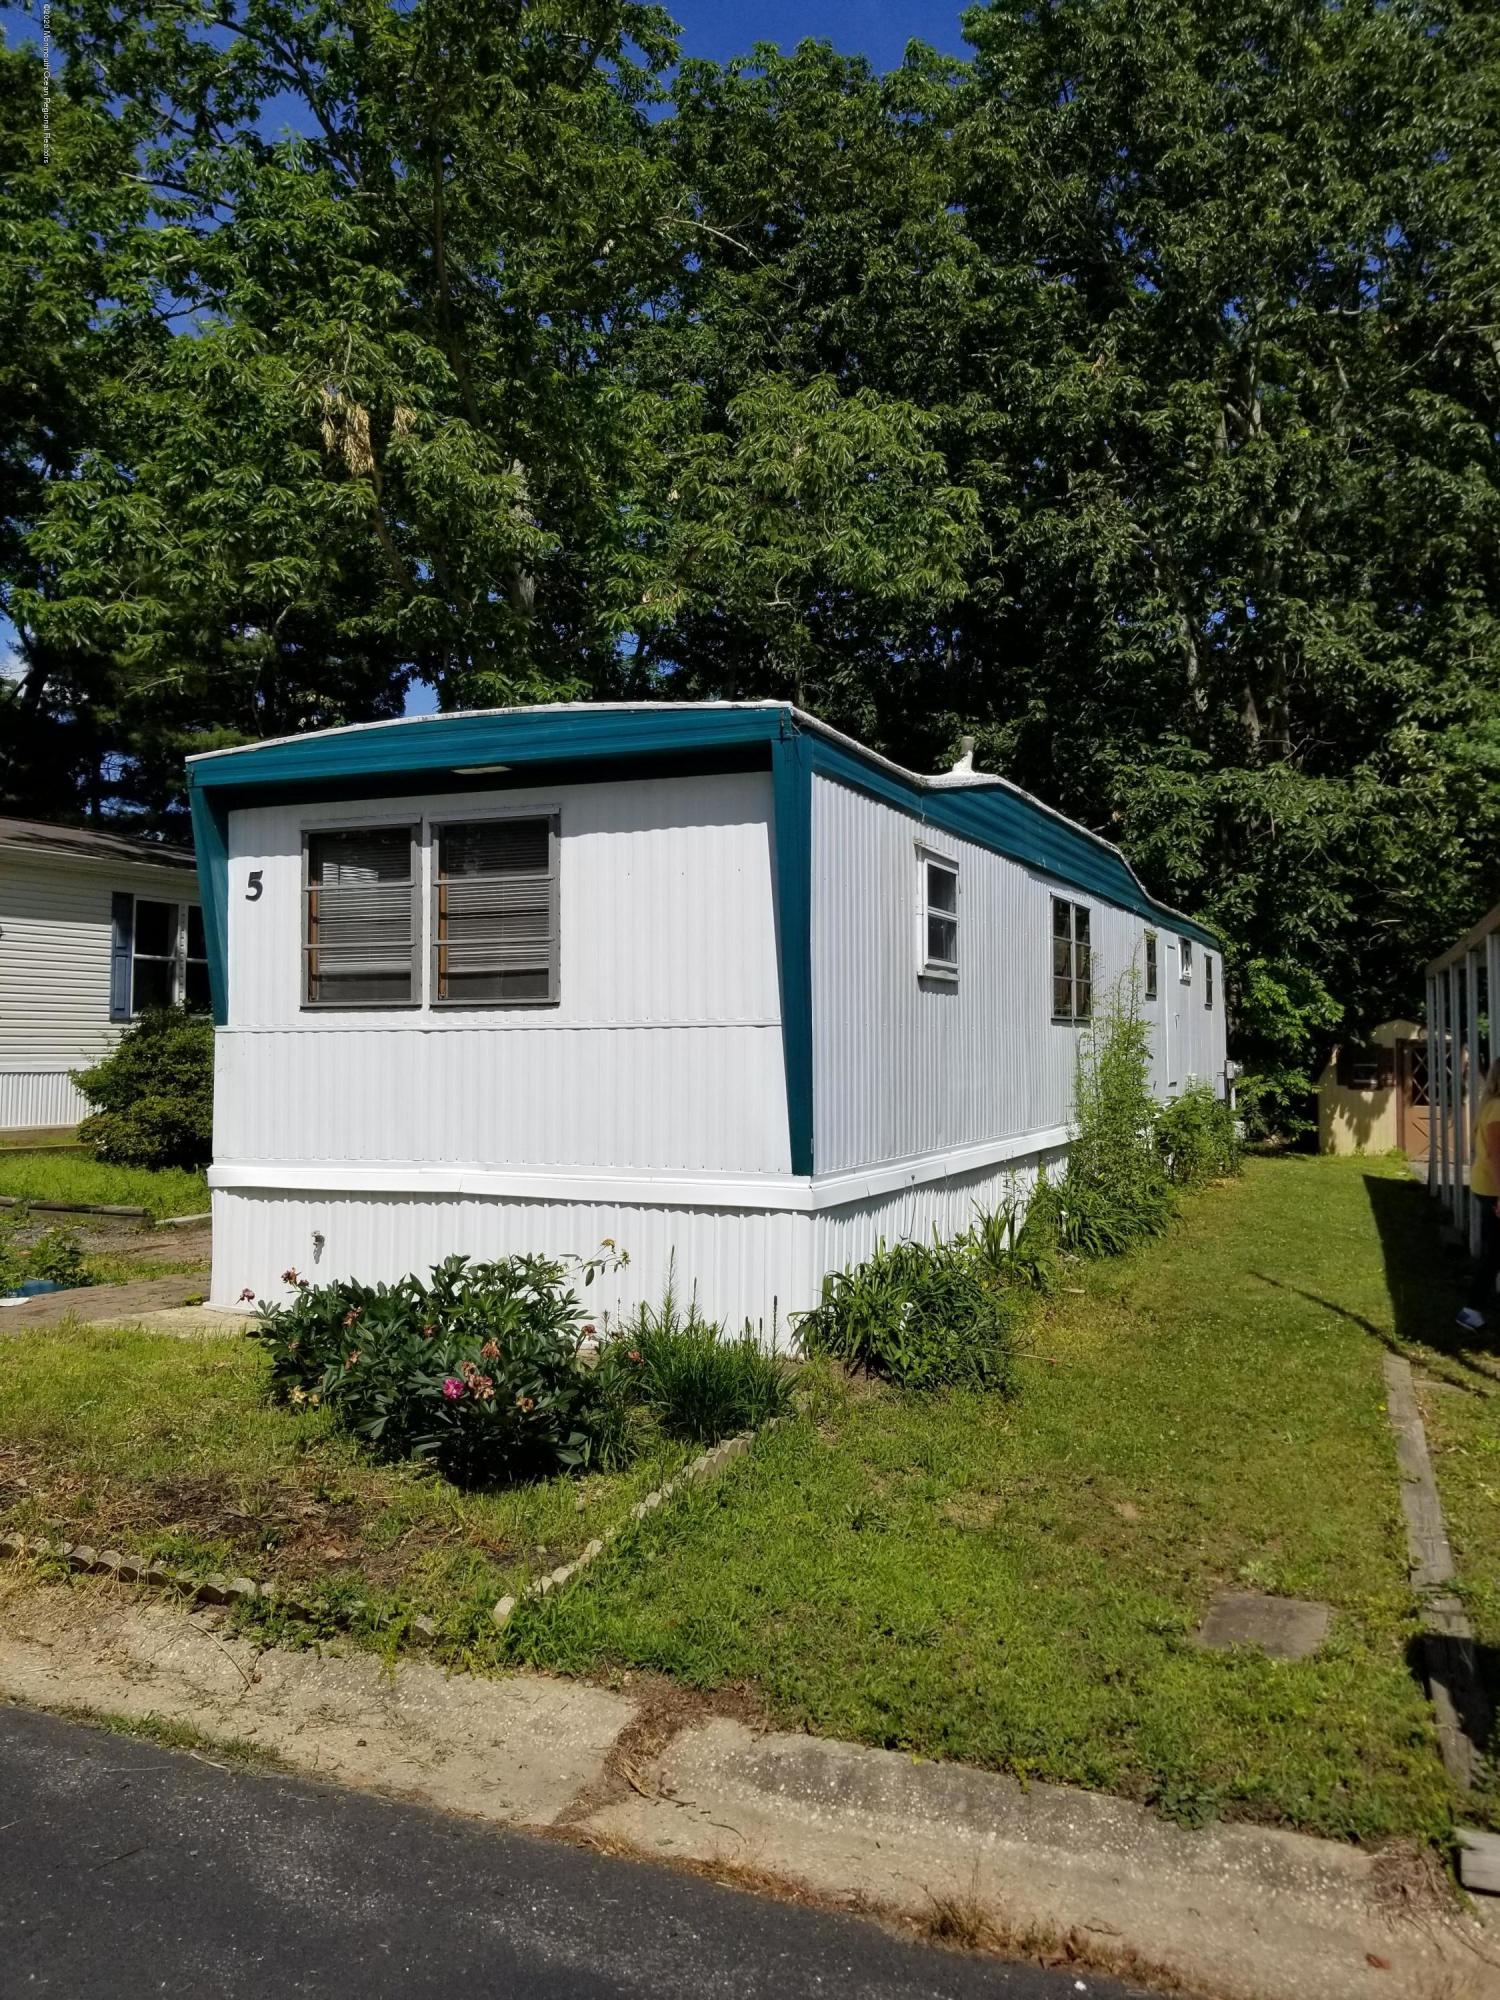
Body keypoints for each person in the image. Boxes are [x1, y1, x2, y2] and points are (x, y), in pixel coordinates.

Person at [1457, 1059, 1500, 1332]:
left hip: (1488, 1186)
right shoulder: (1497, 1108)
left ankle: (1471, 1308)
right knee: (1495, 1253)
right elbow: (1497, 1155)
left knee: (1495, 1251)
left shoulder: (1491, 1104)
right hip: (1494, 1189)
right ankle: (1470, 1309)